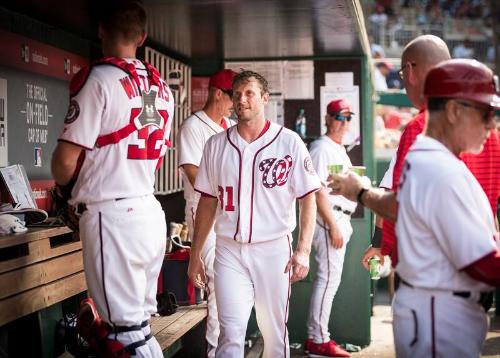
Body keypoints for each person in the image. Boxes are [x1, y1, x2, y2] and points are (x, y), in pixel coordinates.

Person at [329, 58, 500, 357]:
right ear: (454, 111)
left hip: (434, 309)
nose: (491, 124)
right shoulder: (441, 171)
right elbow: (484, 265)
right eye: (486, 113)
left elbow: (399, 203)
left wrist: (361, 192)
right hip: (441, 315)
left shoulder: (426, 154)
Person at [51, 2, 174, 357]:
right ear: (142, 37)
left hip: (112, 216)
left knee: (123, 335)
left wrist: (70, 186)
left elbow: (62, 165)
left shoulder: (99, 78)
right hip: (149, 213)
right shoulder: (160, 86)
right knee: (136, 329)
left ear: (101, 30)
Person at [187, 70, 320, 357]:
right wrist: (195, 253)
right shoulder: (215, 144)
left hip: (273, 250)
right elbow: (207, 202)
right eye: (236, 94)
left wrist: (304, 249)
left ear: (264, 98)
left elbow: (308, 197)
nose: (242, 100)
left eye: (249, 93)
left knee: (273, 333)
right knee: (230, 333)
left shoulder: (289, 141)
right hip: (228, 250)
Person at [364, 34, 500, 269]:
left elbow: (398, 206)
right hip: (477, 268)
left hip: (432, 275)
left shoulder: (421, 127)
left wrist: (358, 193)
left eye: (403, 75)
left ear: (411, 71)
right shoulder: (492, 135)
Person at [177, 68, 236, 357]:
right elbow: (192, 173)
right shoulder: (194, 126)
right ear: (217, 93)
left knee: (229, 284)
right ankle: (215, 352)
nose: (235, 103)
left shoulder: (230, 127)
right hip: (202, 213)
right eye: (232, 97)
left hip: (229, 214)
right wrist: (226, 184)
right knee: (218, 284)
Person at [304, 99, 356, 358]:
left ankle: (318, 336)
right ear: (327, 118)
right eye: (338, 116)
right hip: (329, 220)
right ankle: (317, 339)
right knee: (326, 281)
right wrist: (333, 225)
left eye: (347, 117)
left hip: (339, 219)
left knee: (329, 281)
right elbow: (316, 191)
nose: (343, 123)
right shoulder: (321, 148)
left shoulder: (338, 148)